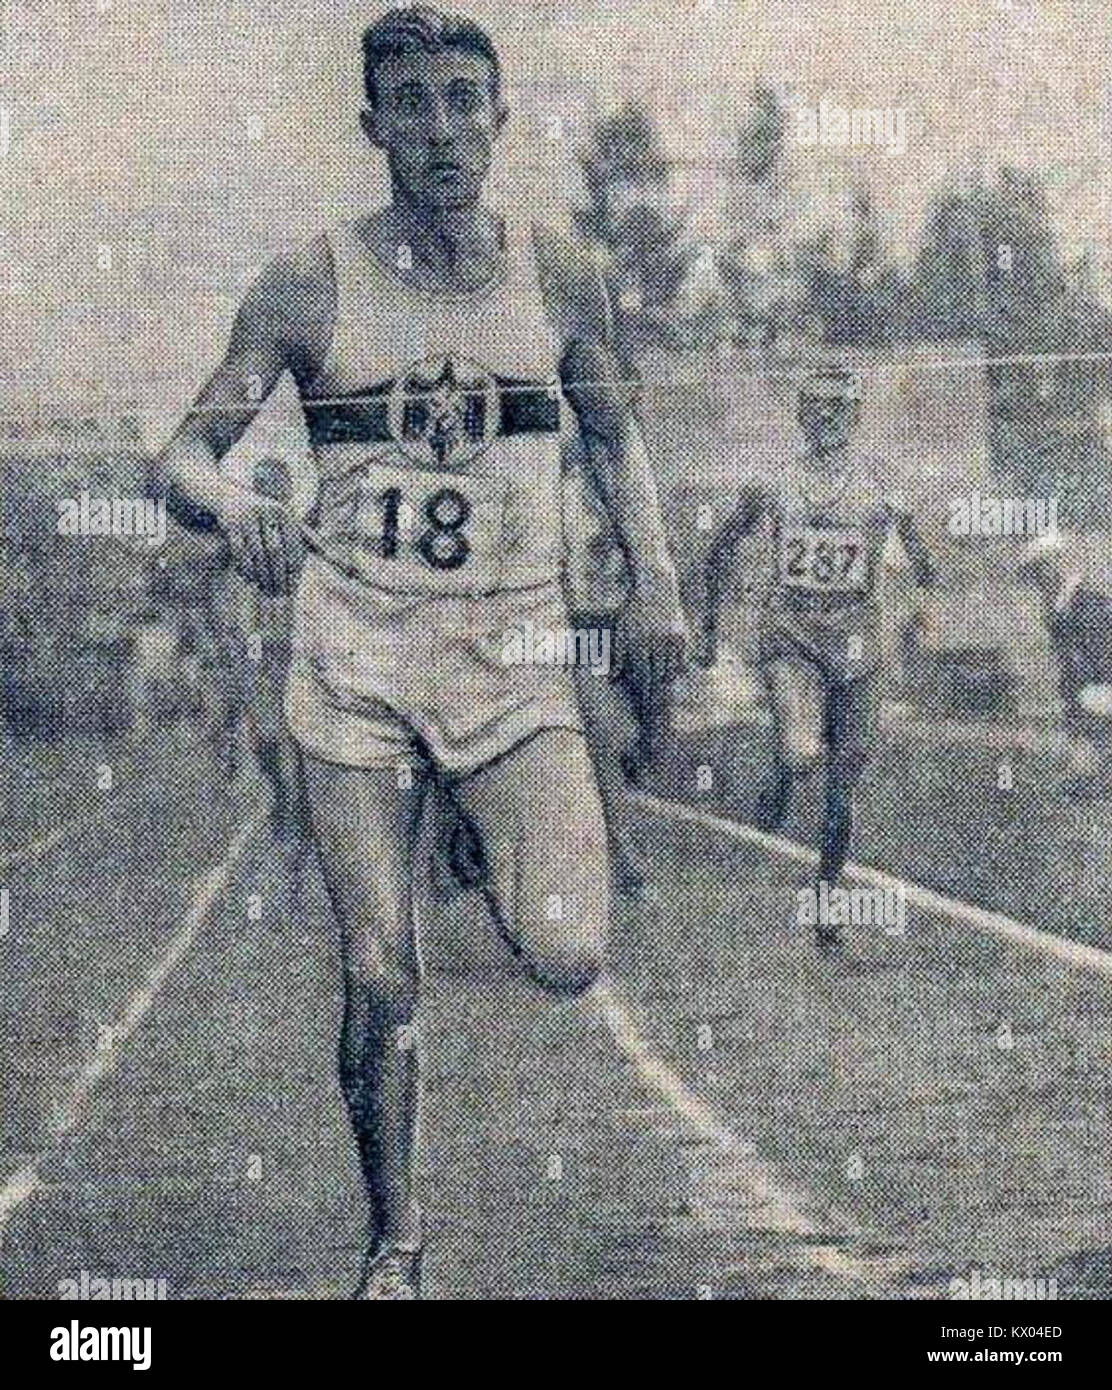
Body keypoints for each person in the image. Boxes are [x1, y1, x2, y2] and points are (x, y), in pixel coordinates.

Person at [153, 7, 685, 1299]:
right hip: (356, 666)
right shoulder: (305, 285)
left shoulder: (557, 273)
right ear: (373, 125)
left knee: (565, 951)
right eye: (415, 103)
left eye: (465, 101)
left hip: (510, 657)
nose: (442, 129)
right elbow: (175, 457)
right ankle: (394, 1242)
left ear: (498, 120)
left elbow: (611, 437)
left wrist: (656, 576)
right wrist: (237, 510)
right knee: (380, 969)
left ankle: (473, 816)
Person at [696, 365, 935, 951]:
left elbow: (925, 565)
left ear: (855, 418)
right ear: (802, 415)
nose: (826, 418)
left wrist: (923, 579)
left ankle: (827, 895)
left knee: (842, 784)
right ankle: (782, 772)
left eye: (839, 408)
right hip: (791, 634)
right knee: (805, 755)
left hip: (855, 643)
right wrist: (706, 627)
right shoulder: (774, 483)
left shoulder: (885, 488)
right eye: (816, 407)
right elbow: (719, 548)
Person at [1017, 531, 1112, 798]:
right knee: (1081, 721)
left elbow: (1101, 655)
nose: (1037, 582)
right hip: (1081, 688)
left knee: (1090, 718)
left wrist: (1094, 689)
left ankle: (1092, 772)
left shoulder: (1089, 604)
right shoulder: (1059, 605)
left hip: (1097, 686)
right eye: (1034, 576)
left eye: (1038, 573)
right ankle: (1088, 770)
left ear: (1052, 567)